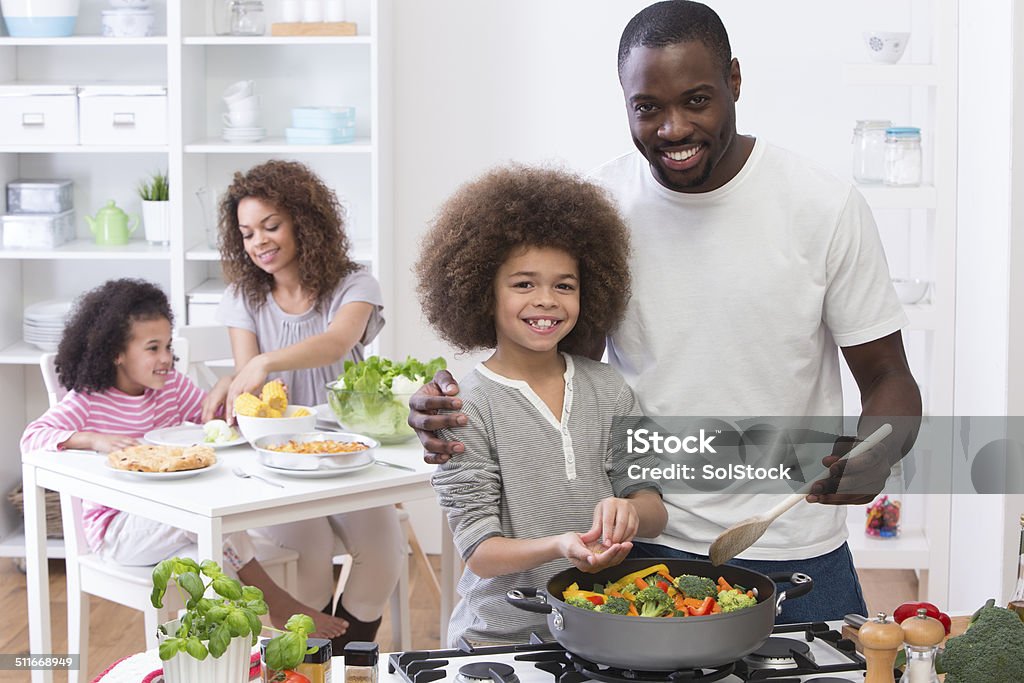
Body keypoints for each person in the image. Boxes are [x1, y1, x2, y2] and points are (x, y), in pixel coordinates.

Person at [408, 1, 922, 623]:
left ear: (734, 80)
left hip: (791, 544)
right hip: (639, 541)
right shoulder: (602, 207)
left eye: (697, 100)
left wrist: (876, 453)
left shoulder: (823, 204)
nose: (673, 128)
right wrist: (455, 406)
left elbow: (888, 375)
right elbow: (561, 369)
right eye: (648, 107)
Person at [415, 164, 668, 646]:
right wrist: (559, 546)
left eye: (564, 285)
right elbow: (480, 552)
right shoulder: (462, 408)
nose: (547, 301)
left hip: (598, 630)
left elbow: (652, 502)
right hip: (496, 637)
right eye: (524, 284)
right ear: (483, 292)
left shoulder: (609, 388)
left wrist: (633, 511)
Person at [20, 278, 347, 638]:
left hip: (173, 521)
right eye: (153, 348)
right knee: (205, 518)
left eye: (168, 346)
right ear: (117, 352)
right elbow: (32, 438)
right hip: (119, 534)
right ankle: (277, 603)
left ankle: (239, 658)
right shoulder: (88, 402)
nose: (166, 358)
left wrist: (239, 397)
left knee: (216, 548)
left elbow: (213, 419)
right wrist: (91, 439)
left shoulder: (172, 387)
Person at [201, 159, 404, 648]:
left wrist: (265, 363)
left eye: (271, 226)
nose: (259, 242)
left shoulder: (355, 286)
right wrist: (239, 377)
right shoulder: (243, 298)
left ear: (303, 223)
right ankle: (307, 664)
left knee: (384, 553)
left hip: (348, 454)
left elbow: (336, 343)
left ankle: (342, 658)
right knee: (309, 552)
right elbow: (250, 382)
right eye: (247, 233)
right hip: (277, 461)